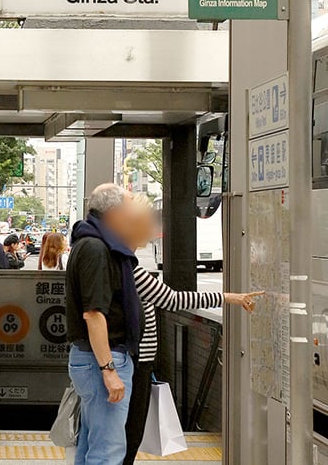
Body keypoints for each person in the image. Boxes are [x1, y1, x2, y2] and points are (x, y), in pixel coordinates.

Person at [120, 196, 264, 464]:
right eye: (147, 224)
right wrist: (229, 298)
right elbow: (173, 299)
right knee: (129, 431)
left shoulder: (120, 264)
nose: (153, 231)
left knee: (122, 432)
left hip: (131, 359)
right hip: (137, 362)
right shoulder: (132, 271)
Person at [66, 184, 139, 464]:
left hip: (93, 357)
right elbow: (93, 314)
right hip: (103, 359)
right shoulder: (96, 249)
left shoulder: (90, 243)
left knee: (91, 444)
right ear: (115, 213)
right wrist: (108, 369)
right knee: (107, 451)